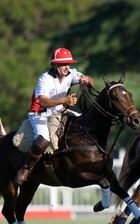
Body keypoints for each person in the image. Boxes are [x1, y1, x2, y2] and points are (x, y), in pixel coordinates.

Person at [14, 48, 94, 186]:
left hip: (59, 112)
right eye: (63, 64)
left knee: (84, 123)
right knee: (44, 139)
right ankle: (27, 168)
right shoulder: (45, 79)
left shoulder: (71, 73)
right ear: (55, 65)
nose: (67, 67)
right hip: (39, 113)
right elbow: (43, 101)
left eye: (68, 63)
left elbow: (88, 79)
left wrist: (87, 79)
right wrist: (65, 100)